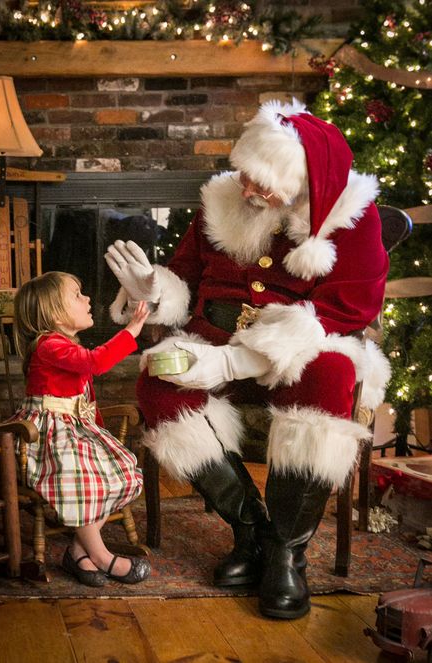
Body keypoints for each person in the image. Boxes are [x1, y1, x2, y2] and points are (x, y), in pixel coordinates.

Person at [105, 98, 391, 619]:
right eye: (245, 175)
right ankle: (251, 530)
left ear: (303, 181)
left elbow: (346, 310)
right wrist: (153, 287)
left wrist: (237, 364)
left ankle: (287, 552)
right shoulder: (222, 199)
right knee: (158, 383)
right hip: (211, 334)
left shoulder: (352, 217)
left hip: (301, 351)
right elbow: (185, 276)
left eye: (262, 183)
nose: (247, 190)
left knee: (333, 375)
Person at [13, 271, 151, 587]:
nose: (87, 299)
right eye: (77, 295)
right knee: (83, 479)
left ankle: (78, 550)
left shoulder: (66, 345)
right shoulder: (48, 345)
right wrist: (131, 331)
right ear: (53, 313)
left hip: (75, 428)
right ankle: (101, 556)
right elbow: (95, 363)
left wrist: (98, 434)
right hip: (46, 435)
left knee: (124, 472)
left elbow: (84, 400)